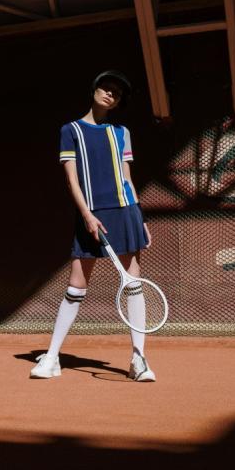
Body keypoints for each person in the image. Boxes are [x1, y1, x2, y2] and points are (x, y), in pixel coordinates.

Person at [30, 70, 156, 382]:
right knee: (76, 283)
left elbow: (126, 177)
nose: (109, 94)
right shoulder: (70, 130)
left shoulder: (121, 132)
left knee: (133, 282)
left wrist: (138, 214)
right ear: (94, 90)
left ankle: (138, 360)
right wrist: (87, 214)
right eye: (105, 87)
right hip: (91, 213)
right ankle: (53, 357)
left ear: (119, 102)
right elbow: (72, 179)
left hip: (125, 211)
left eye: (116, 93)